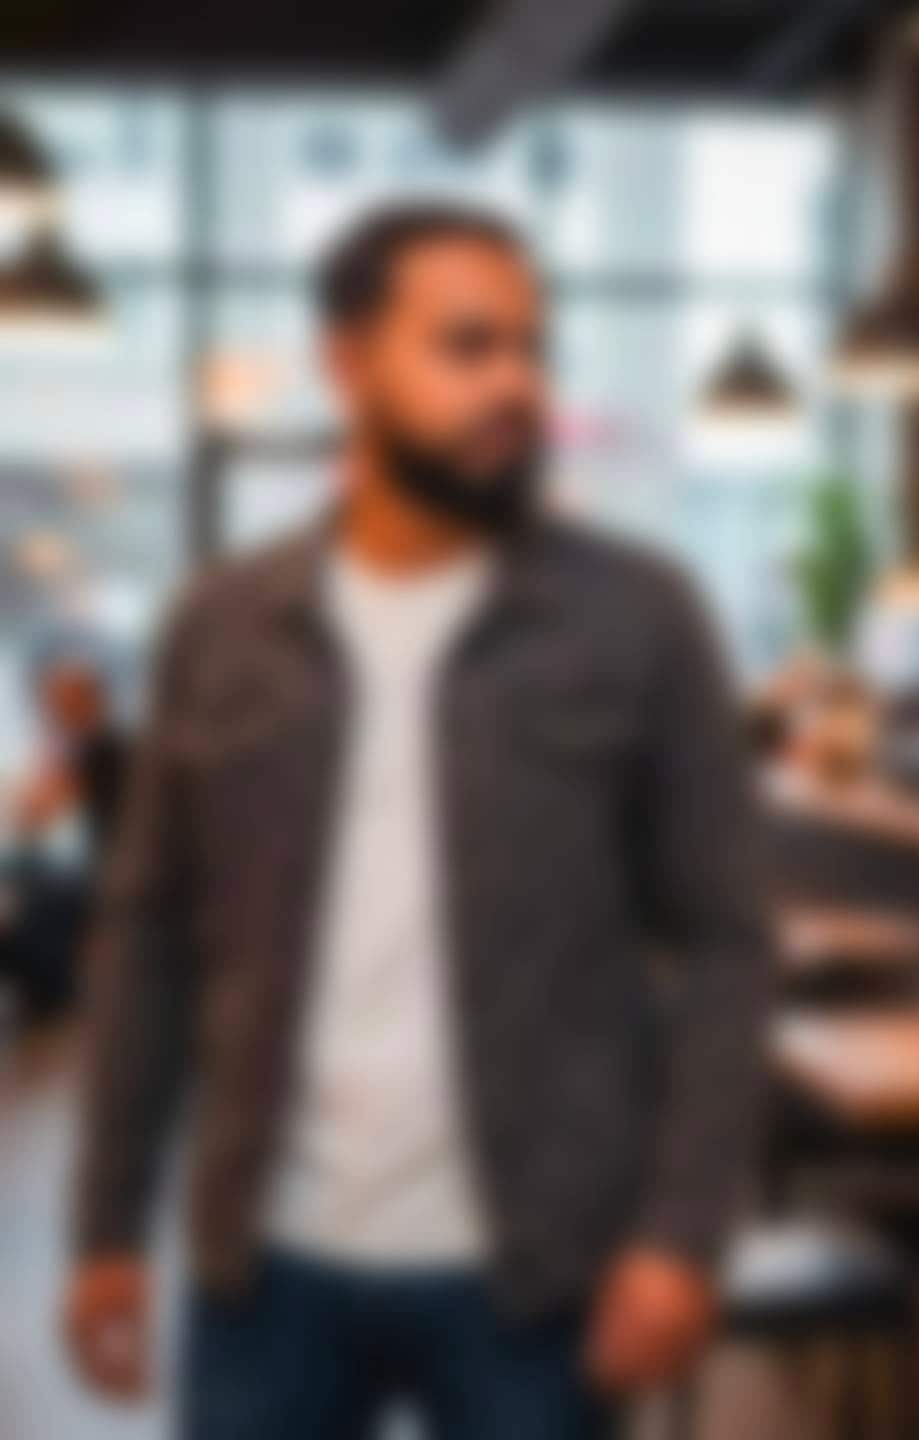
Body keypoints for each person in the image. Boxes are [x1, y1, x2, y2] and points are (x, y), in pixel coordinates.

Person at [63, 202, 772, 1439]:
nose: (515, 385)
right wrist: (106, 1225)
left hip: (539, 1271)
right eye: (467, 346)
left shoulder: (638, 617)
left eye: (531, 348)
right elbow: (148, 937)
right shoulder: (223, 625)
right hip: (265, 1267)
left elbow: (726, 942)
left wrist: (683, 1231)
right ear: (348, 363)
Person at [0, 654, 129, 1015]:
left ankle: (49, 1002)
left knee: (28, 902)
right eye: (51, 706)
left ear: (91, 703)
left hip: (106, 880)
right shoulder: (82, 749)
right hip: (80, 871)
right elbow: (29, 816)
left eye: (63, 704)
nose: (54, 716)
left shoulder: (107, 750)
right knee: (15, 871)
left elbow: (39, 806)